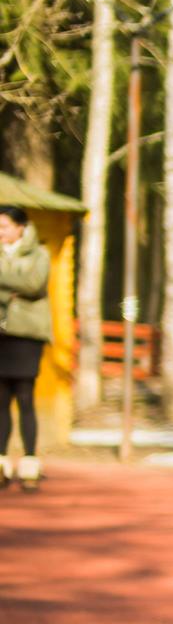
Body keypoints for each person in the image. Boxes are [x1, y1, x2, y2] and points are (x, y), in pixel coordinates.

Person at [0, 205, 49, 492]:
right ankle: (2, 461)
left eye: (4, 226)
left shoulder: (38, 254)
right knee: (0, 399)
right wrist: (13, 287)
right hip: (1, 333)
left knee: (25, 396)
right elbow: (21, 285)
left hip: (27, 335)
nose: (0, 232)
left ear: (21, 227)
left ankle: (30, 460)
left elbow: (33, 284)